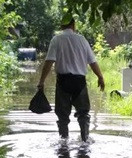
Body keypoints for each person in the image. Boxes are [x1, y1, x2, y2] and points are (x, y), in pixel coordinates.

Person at [37, 14, 105, 142]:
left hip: (63, 82)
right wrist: (100, 77)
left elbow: (49, 62)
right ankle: (85, 140)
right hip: (79, 82)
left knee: (62, 116)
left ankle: (64, 142)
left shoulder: (56, 40)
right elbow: (92, 61)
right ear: (74, 25)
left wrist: (41, 81)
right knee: (83, 113)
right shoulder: (82, 40)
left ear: (62, 26)